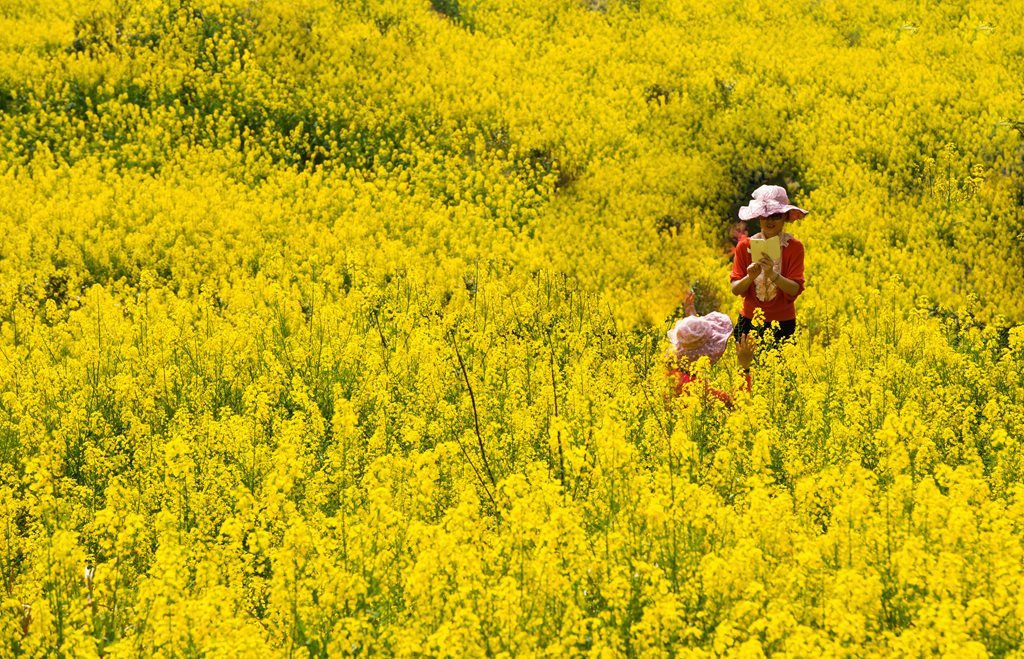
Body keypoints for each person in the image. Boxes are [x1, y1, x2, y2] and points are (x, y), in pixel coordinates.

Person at [730, 185, 808, 343]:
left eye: (776, 216)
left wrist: (773, 275)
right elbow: (735, 289)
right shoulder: (744, 247)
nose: (770, 221)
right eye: (765, 216)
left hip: (783, 323)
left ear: (785, 217)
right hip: (748, 321)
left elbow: (795, 288)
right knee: (747, 368)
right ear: (759, 218)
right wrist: (749, 278)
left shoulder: (794, 247)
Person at [666, 292, 754, 405]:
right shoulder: (699, 390)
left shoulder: (670, 373)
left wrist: (692, 319)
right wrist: (744, 367)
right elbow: (737, 405)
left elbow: (692, 344)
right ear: (703, 356)